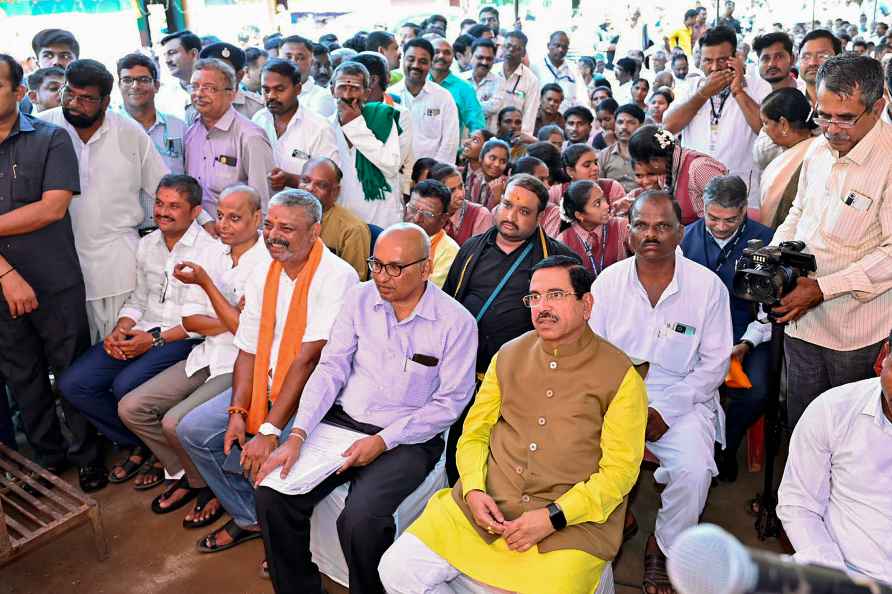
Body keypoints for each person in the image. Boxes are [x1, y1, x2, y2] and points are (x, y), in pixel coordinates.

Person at [380, 255, 648, 594]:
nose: (542, 307)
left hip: (570, 523)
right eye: (534, 297)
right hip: (487, 506)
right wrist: (475, 489)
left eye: (555, 295)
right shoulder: (508, 355)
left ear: (587, 303)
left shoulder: (620, 376)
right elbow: (474, 433)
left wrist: (554, 516)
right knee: (397, 569)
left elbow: (620, 473)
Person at [253, 223, 477, 594]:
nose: (382, 277)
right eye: (377, 264)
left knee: (360, 519)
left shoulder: (456, 322)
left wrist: (384, 441)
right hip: (343, 422)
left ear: (425, 268)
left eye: (395, 268)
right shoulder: (359, 298)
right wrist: (297, 434)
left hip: (408, 437)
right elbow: (331, 369)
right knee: (271, 493)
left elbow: (449, 403)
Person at [177, 189, 359, 554]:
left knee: (273, 464)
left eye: (287, 228)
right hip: (265, 384)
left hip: (313, 395)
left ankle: (290, 543)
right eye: (271, 225)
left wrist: (270, 430)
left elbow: (308, 361)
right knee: (192, 431)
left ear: (315, 231)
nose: (274, 235)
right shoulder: (265, 270)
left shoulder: (338, 277)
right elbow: (247, 347)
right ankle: (251, 517)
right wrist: (237, 412)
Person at [590, 191, 732, 594]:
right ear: (629, 231)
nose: (651, 234)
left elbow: (714, 364)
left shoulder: (707, 288)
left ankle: (664, 545)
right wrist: (625, 410)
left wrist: (665, 410)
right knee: (573, 453)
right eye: (642, 225)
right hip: (614, 395)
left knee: (694, 470)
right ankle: (616, 518)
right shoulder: (608, 283)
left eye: (662, 226)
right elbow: (593, 356)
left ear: (680, 232)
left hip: (684, 397)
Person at [118, 185, 268, 519]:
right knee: (131, 407)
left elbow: (249, 333)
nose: (224, 225)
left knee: (175, 423)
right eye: (221, 216)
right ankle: (192, 477)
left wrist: (209, 291)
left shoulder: (266, 262)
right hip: (207, 352)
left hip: (242, 362)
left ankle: (215, 490)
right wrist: (231, 315)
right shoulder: (212, 253)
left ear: (257, 218)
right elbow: (191, 320)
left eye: (235, 218)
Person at [58, 174, 214, 489]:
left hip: (181, 339)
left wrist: (152, 340)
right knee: (73, 384)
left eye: (174, 206)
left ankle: (156, 451)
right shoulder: (147, 244)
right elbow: (139, 299)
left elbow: (200, 319)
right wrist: (121, 328)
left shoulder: (210, 251)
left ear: (195, 211)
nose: (163, 212)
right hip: (141, 330)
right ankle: (144, 443)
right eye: (159, 203)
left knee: (124, 385)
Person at [0, 54, 106, 491]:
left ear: (19, 92)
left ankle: (87, 455)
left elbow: (52, 207)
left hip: (54, 279)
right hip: (2, 284)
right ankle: (47, 460)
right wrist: (6, 275)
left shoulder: (49, 139)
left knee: (70, 372)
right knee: (22, 377)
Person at [771, 55, 892, 429]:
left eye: (845, 118)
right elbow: (797, 211)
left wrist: (823, 289)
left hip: (856, 334)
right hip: (801, 322)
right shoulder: (817, 150)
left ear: (878, 107)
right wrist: (773, 255)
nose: (832, 129)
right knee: (804, 427)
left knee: (850, 435)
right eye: (823, 115)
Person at [442, 174, 578, 482]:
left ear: (541, 217)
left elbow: (572, 328)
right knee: (460, 455)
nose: (510, 216)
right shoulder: (472, 249)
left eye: (524, 211)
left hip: (523, 382)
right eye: (506, 205)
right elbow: (450, 306)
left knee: (512, 461)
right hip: (467, 376)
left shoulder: (560, 262)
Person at [40, 59, 170, 341]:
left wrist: (204, 224)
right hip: (61, 270)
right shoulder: (42, 128)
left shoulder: (129, 132)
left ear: (106, 101)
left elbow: (164, 188)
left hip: (120, 270)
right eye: (69, 94)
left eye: (86, 99)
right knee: (70, 358)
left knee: (118, 353)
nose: (74, 103)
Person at [679, 176, 775, 482]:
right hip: (694, 334)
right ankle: (693, 447)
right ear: (703, 208)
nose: (720, 227)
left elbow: (768, 313)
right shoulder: (684, 239)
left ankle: (726, 445)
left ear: (745, 209)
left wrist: (745, 344)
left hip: (746, 334)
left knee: (757, 391)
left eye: (731, 219)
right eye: (713, 218)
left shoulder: (768, 242)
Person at [777, 331, 892, 585]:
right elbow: (799, 504)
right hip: (837, 569)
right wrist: (833, 575)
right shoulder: (833, 409)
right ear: (884, 356)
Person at [664, 26, 768, 207]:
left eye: (721, 60)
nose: (713, 67)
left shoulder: (758, 86)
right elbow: (668, 126)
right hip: (696, 191)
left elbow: (765, 130)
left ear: (736, 58)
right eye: (707, 61)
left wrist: (738, 90)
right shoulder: (690, 86)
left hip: (744, 190)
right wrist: (703, 94)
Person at [183, 58, 274, 221]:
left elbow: (262, 203)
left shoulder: (250, 136)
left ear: (231, 94)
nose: (199, 94)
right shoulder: (190, 133)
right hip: (196, 234)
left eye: (209, 88)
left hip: (235, 238)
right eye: (195, 86)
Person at [329, 61, 405, 228]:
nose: (347, 95)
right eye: (342, 87)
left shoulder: (382, 118)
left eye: (355, 88)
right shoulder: (325, 127)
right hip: (342, 222)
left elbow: (391, 165)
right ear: (332, 89)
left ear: (366, 93)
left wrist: (354, 125)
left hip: (381, 218)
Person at [117, 53, 187, 234]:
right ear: (119, 85)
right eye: (127, 80)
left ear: (156, 86)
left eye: (143, 80)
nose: (135, 86)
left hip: (175, 229)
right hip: (126, 233)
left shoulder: (178, 127)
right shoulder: (109, 128)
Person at [251, 58, 339, 192]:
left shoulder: (319, 128)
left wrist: (290, 180)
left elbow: (330, 181)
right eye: (266, 90)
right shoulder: (259, 119)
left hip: (304, 210)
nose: (271, 96)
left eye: (279, 89)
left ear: (297, 89)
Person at [628, 125, 727, 224]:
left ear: (655, 162)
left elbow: (729, 206)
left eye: (640, 163)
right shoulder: (664, 171)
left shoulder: (699, 168)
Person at [388, 38, 460, 165]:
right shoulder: (390, 96)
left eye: (423, 61)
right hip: (396, 173)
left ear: (431, 63)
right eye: (411, 59)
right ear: (403, 60)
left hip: (432, 176)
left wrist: (434, 173)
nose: (416, 65)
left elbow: (450, 141)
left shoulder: (443, 98)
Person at [299, 157, 370, 281]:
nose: (309, 188)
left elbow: (353, 283)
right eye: (305, 180)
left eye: (321, 185)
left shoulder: (352, 229)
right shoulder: (286, 217)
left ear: (335, 192)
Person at [758, 88, 819, 228]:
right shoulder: (812, 148)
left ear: (783, 124)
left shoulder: (814, 154)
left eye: (765, 123)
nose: (763, 129)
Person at [556, 180, 630, 276]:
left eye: (604, 198)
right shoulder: (563, 242)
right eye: (597, 204)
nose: (607, 206)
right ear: (579, 215)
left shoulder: (622, 227)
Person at [403, 179, 460, 287]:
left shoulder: (449, 253)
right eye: (412, 209)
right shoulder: (394, 235)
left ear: (443, 219)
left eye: (427, 214)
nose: (416, 218)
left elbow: (424, 292)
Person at [428, 37, 485, 142]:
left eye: (447, 53)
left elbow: (477, 126)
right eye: (436, 52)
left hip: (449, 153)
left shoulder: (464, 89)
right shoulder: (419, 83)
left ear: (453, 56)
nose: (441, 56)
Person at [198, 43, 266, 121]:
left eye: (224, 72)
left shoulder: (256, 107)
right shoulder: (197, 105)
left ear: (240, 76)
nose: (216, 77)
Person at [429, 163, 492, 246]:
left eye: (461, 186)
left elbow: (479, 255)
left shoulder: (480, 215)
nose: (460, 194)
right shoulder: (428, 213)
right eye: (452, 190)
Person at [491, 31, 541, 136]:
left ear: (523, 53)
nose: (511, 51)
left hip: (513, 139)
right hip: (488, 133)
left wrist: (521, 139)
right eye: (508, 46)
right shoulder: (491, 72)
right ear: (502, 48)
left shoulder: (531, 80)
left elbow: (529, 115)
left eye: (517, 48)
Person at [279, 35, 337, 117]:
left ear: (311, 62)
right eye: (288, 57)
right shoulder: (268, 95)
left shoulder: (322, 97)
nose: (293, 63)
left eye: (300, 58)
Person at [157, 30, 203, 121]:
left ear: (193, 54)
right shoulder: (165, 97)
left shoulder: (219, 86)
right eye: (165, 55)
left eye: (172, 53)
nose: (167, 61)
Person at [598, 104, 645, 192]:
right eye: (620, 122)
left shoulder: (648, 154)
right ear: (614, 125)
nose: (624, 127)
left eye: (631, 122)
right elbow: (598, 186)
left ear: (641, 126)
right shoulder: (603, 155)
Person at [461, 38, 501, 131]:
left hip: (487, 137)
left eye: (489, 59)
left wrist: (465, 106)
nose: (484, 62)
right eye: (480, 57)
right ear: (471, 56)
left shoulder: (499, 82)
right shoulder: (460, 80)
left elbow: (493, 107)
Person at [533, 31, 580, 111]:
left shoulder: (573, 70)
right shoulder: (535, 67)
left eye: (564, 47)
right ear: (548, 46)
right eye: (557, 45)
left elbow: (579, 98)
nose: (561, 50)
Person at [798, 29, 842, 109]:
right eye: (806, 57)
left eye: (822, 56)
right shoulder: (791, 100)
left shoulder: (852, 100)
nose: (812, 63)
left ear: (839, 59)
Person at [465, 138, 510, 210]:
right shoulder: (475, 181)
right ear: (481, 158)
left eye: (503, 161)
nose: (497, 164)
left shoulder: (508, 186)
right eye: (492, 158)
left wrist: (498, 199)